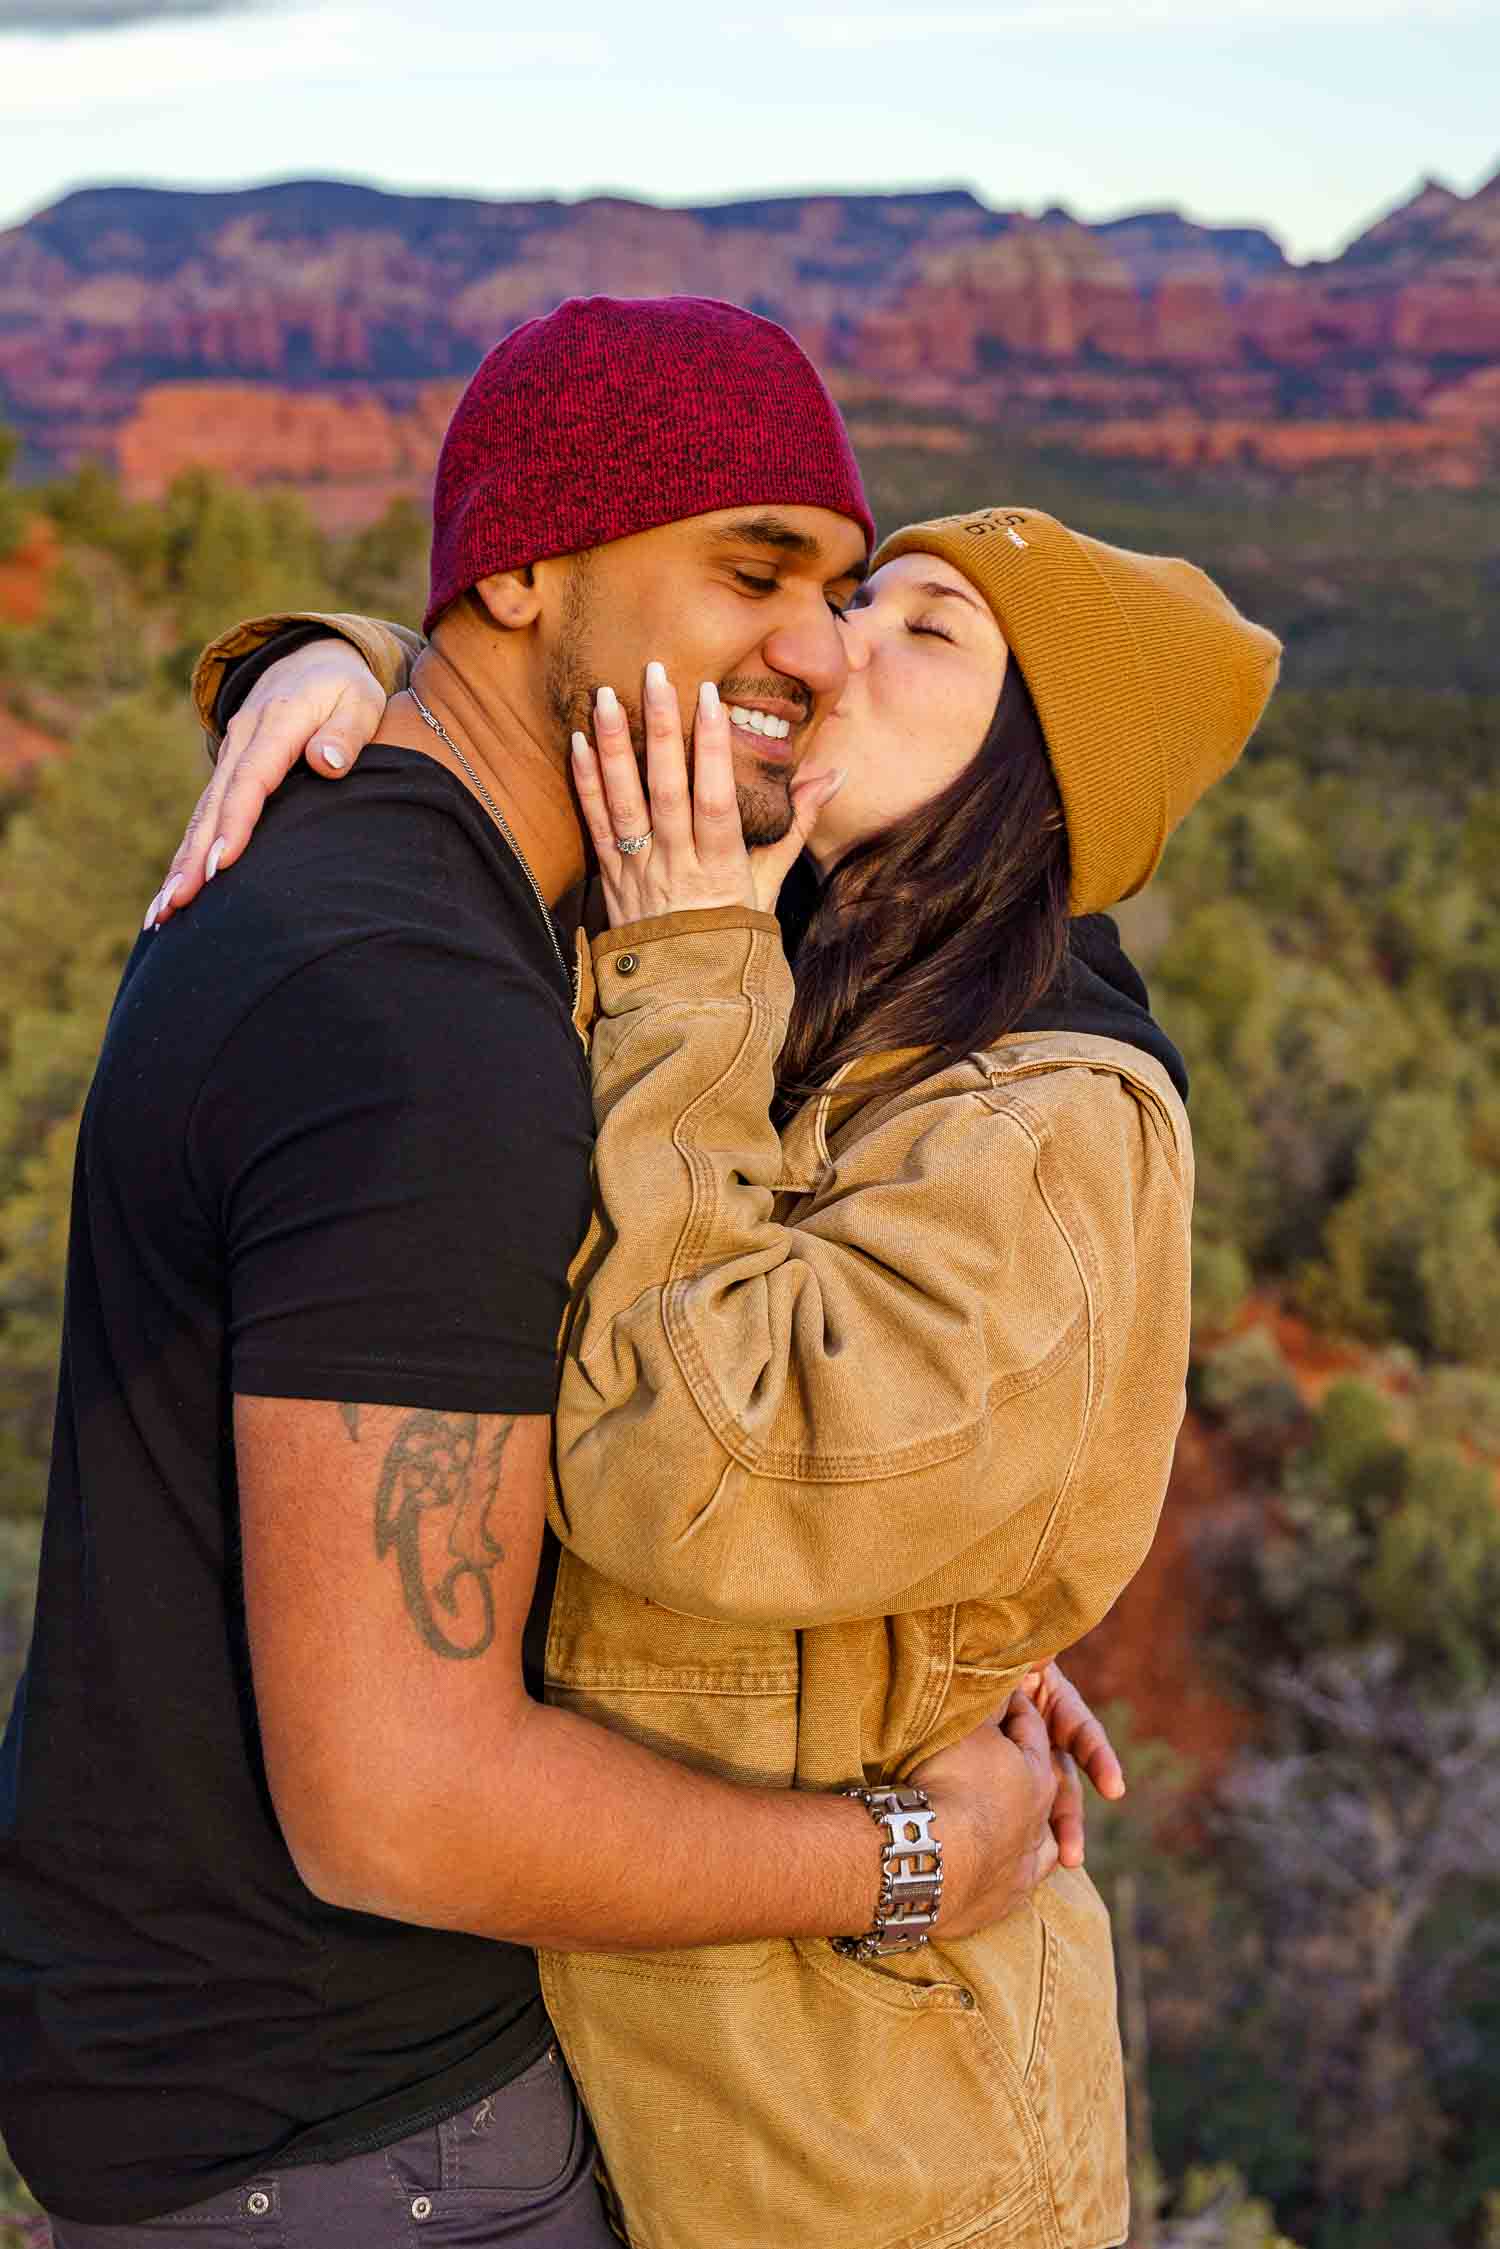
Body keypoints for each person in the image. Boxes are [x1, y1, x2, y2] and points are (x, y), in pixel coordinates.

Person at [0, 300, 1113, 2249]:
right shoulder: (420, 1022)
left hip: (245, 2097)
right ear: (518, 564)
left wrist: (909, 1630)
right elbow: (403, 1803)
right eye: (752, 568)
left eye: (848, 589)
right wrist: (916, 1855)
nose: (814, 647)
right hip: (359, 2132)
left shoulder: (388, 878)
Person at [152, 496, 1279, 2246]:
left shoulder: (1045, 1119)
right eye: (850, 598)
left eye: (927, 636)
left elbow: (698, 1465)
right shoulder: (810, 955)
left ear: (1045, 773)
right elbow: (542, 690)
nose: (834, 649)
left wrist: (687, 967)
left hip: (867, 2156)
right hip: (646, 2090)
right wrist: (347, 661)